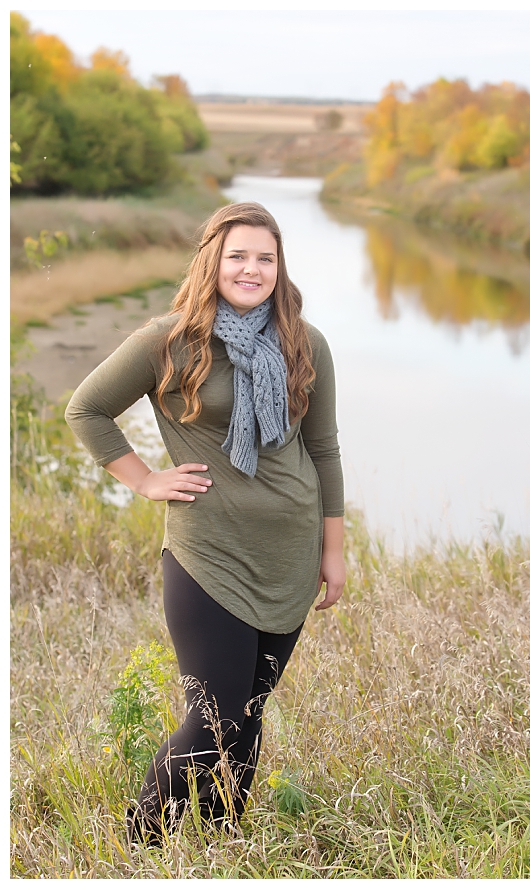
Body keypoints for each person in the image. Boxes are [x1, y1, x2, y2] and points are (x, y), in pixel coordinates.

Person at [65, 202, 346, 843]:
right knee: (210, 718)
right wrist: (144, 480)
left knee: (248, 713)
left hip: (290, 554)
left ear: (280, 267)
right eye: (237, 256)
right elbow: (87, 410)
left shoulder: (306, 341)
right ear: (211, 262)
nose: (252, 269)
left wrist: (334, 550)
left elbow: (324, 449)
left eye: (265, 258)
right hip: (208, 554)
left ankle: (222, 844)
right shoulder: (170, 340)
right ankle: (138, 845)